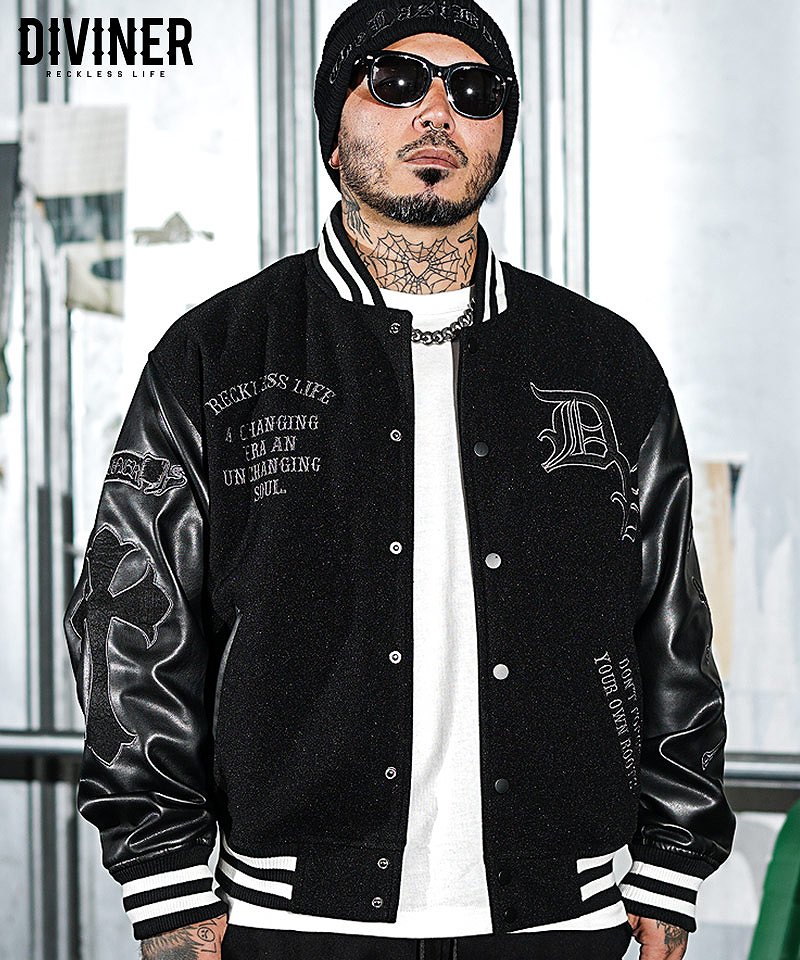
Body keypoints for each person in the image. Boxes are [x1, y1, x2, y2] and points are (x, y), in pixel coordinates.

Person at [63, 1, 737, 958]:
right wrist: (165, 877)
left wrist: (674, 852)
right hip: (292, 916)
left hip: (563, 913)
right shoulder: (219, 353)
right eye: (396, 80)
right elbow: (133, 618)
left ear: (499, 134)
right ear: (334, 132)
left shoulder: (602, 359)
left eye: (474, 90)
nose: (436, 111)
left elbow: (670, 622)